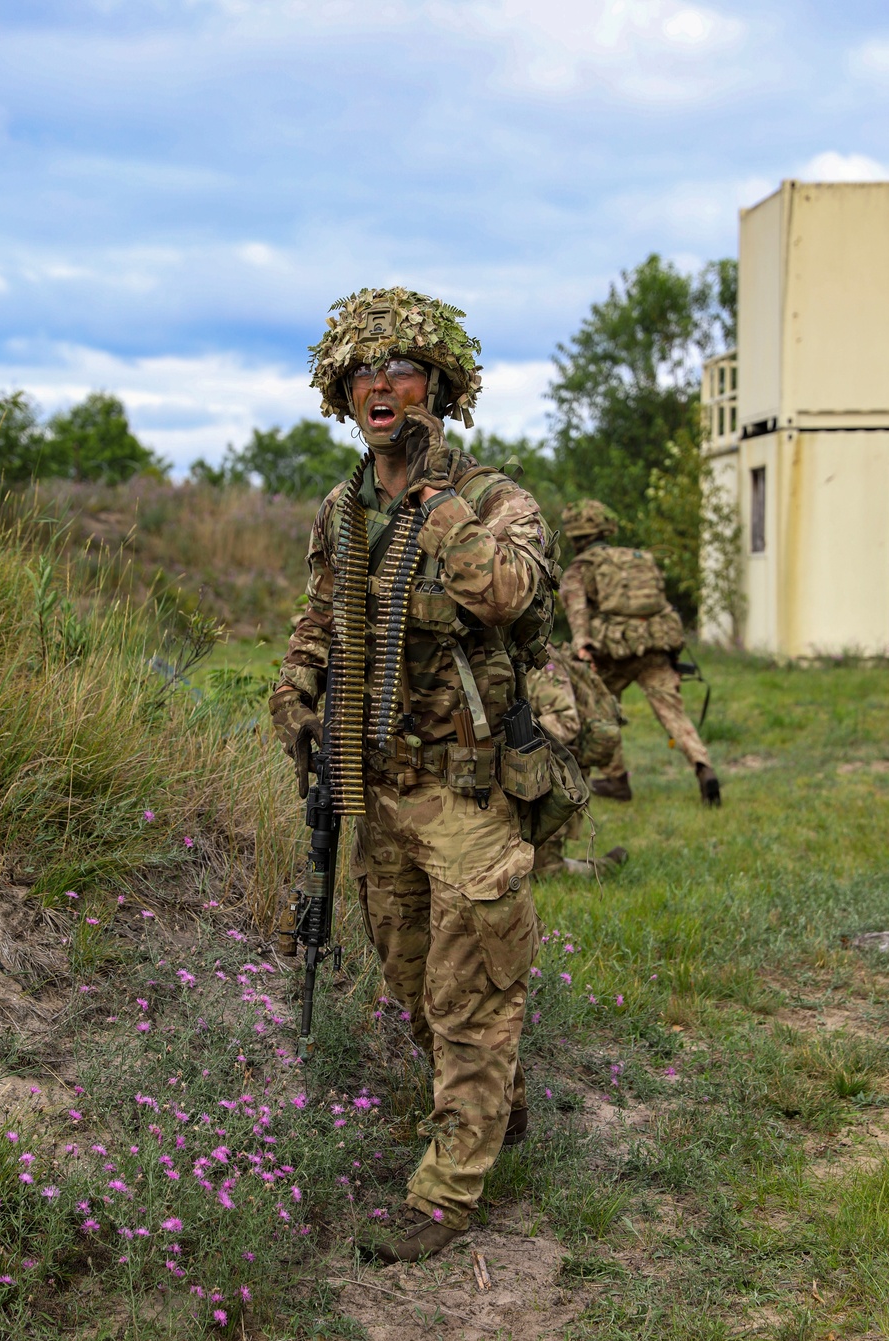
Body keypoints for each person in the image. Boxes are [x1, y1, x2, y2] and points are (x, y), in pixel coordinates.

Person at [269, 288, 559, 1263]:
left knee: (467, 990)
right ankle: (495, 1103)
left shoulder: (493, 501)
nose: (377, 385)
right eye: (359, 371)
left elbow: (507, 598)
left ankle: (446, 1196)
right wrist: (298, 685)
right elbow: (324, 613)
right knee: (407, 980)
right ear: (338, 391)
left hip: (469, 791)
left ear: (437, 385)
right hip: (378, 789)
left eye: (397, 369)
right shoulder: (342, 511)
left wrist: (435, 506)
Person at [559, 499, 721, 807]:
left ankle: (617, 778)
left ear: (575, 536)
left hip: (613, 655)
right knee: (672, 713)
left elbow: (577, 612)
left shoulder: (580, 569)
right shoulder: (636, 558)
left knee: (601, 709)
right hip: (655, 649)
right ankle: (703, 766)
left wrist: (583, 648)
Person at [526, 645, 627, 880]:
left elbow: (566, 720)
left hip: (555, 776)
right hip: (528, 772)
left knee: (545, 871)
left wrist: (511, 747)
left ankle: (606, 867)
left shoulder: (539, 659)